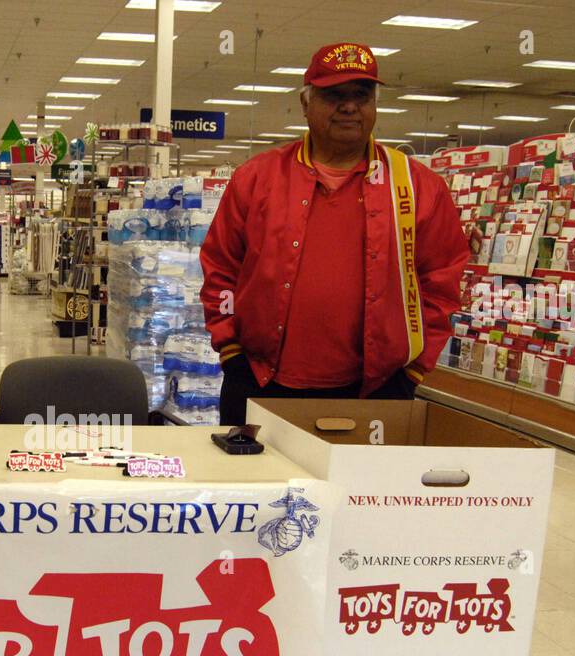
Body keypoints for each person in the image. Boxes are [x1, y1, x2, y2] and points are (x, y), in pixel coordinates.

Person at [200, 41, 469, 426]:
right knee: (255, 485)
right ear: (306, 103)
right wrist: (230, 350)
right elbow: (220, 267)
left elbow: (440, 284)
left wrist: (412, 372)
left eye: (361, 95)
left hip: (375, 392)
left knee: (357, 489)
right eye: (334, 95)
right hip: (258, 381)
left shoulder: (417, 187)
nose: (349, 106)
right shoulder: (257, 178)